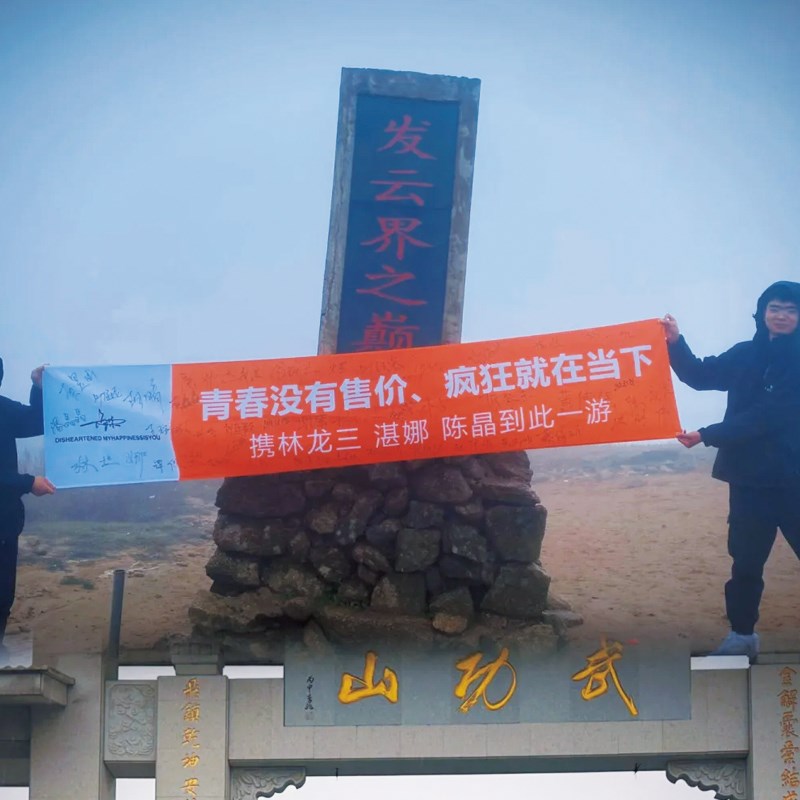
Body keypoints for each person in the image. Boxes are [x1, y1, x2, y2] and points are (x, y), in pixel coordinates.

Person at [662, 281, 800, 661]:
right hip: (749, 481)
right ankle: (742, 637)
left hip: (793, 479)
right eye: (775, 307)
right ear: (762, 312)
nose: (783, 315)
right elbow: (700, 375)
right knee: (745, 562)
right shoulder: (745, 355)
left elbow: (768, 416)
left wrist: (707, 435)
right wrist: (675, 342)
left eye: (791, 309)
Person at [0, 358, 55, 651]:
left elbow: (37, 421)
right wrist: (27, 483)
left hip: (5, 522)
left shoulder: (3, 408)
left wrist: (39, 388)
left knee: (3, 596)